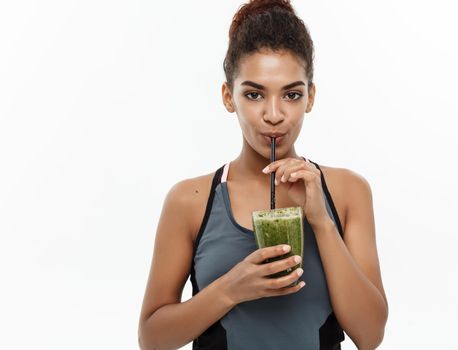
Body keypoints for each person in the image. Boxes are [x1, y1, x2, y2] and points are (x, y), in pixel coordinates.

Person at [138, 1, 388, 349]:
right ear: (229, 97)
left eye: (292, 94)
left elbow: (370, 335)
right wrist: (232, 288)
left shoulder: (347, 192)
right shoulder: (190, 201)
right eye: (254, 94)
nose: (274, 114)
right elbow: (152, 338)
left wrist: (321, 222)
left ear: (310, 98)